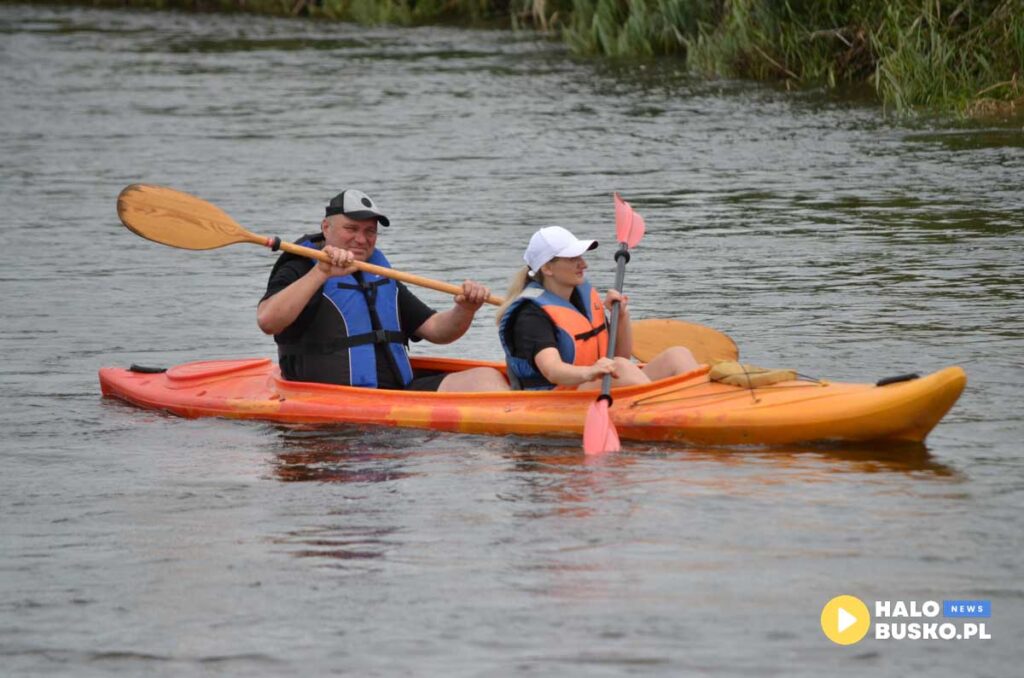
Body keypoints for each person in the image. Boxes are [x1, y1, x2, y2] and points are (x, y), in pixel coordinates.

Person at [257, 189, 508, 392]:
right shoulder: (300, 266)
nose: (362, 239)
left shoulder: (376, 271)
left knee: (486, 379)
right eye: (351, 229)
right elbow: (268, 321)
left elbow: (437, 331)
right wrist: (320, 272)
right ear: (326, 227)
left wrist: (464, 309)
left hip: (396, 393)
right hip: (333, 398)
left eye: (370, 231)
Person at [497, 226, 699, 390]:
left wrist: (620, 316)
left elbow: (621, 355)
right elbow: (553, 370)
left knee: (677, 355)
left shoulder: (581, 298)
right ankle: (669, 408)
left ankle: (700, 401)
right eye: (573, 258)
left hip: (595, 382)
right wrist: (591, 372)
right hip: (559, 397)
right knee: (621, 368)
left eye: (581, 257)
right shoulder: (531, 316)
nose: (583, 264)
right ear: (547, 268)